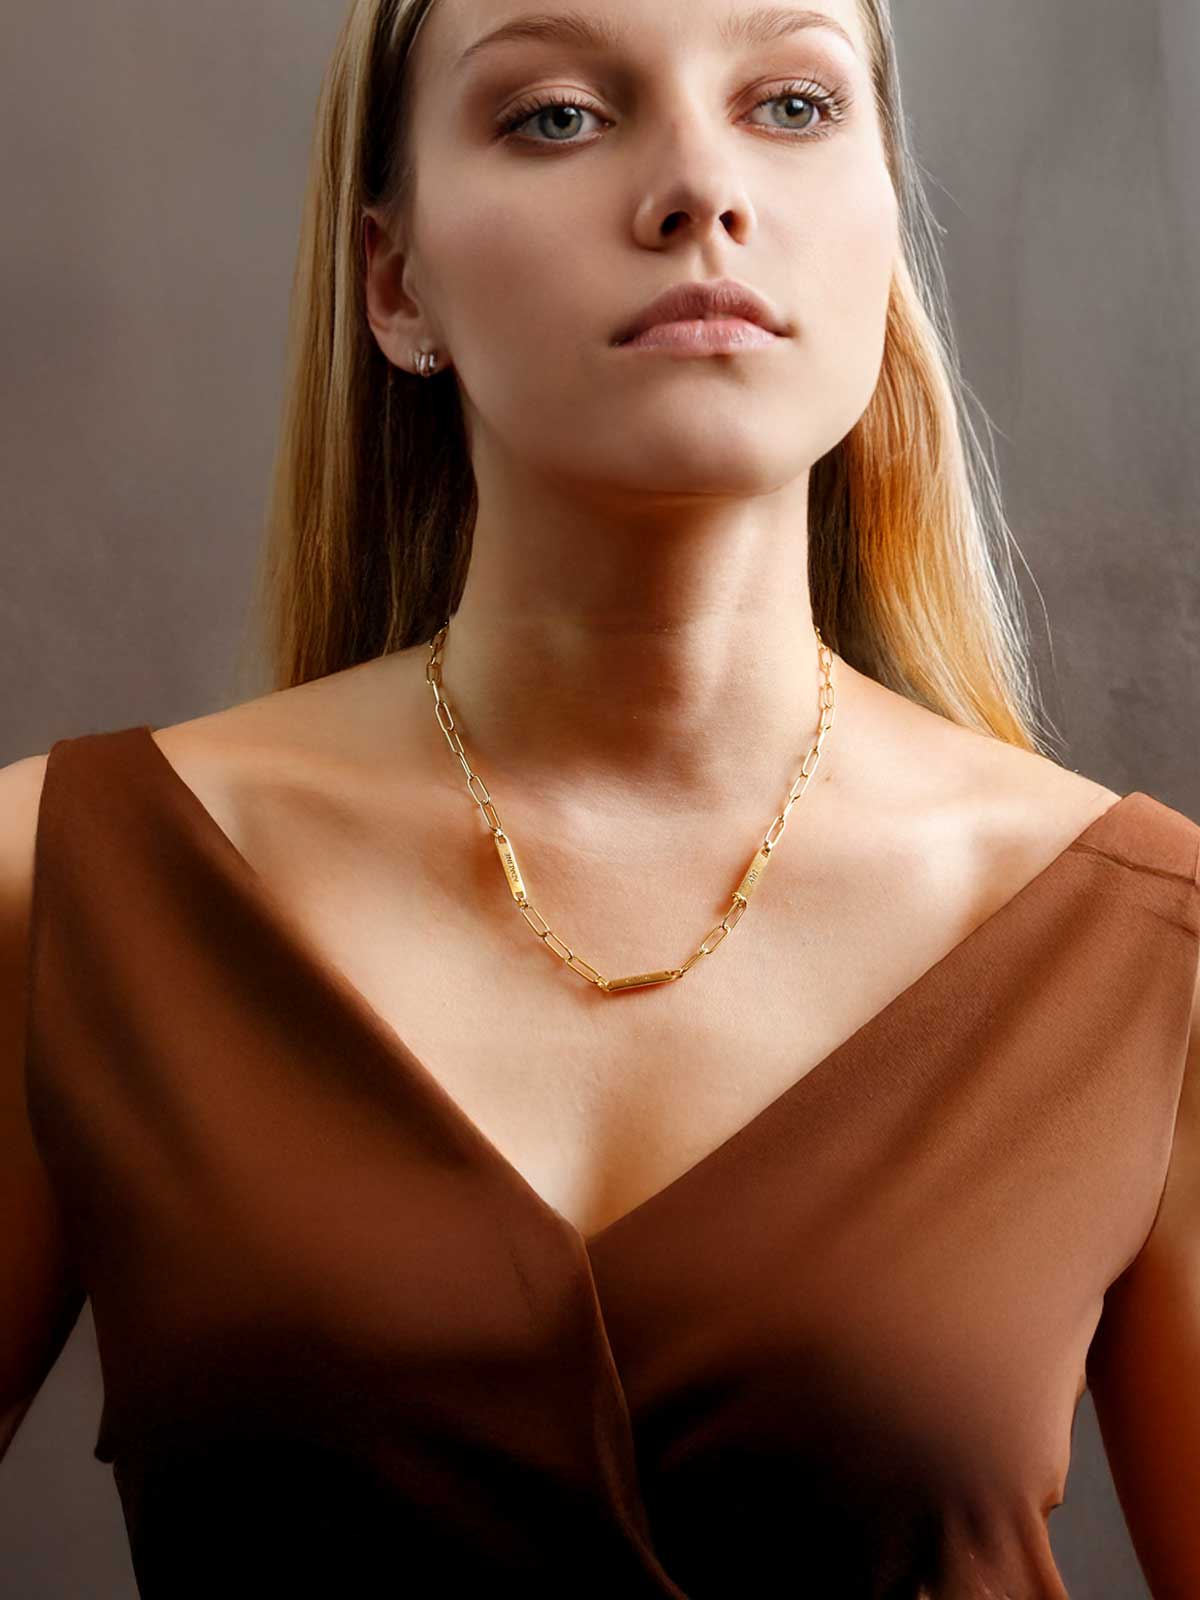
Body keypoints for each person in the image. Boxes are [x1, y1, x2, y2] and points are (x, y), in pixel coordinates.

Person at [3, 0, 1198, 1593]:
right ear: (395, 280)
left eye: (789, 103)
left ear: (886, 219)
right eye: (559, 115)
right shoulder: (63, 887)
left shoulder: (1150, 948)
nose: (699, 189)